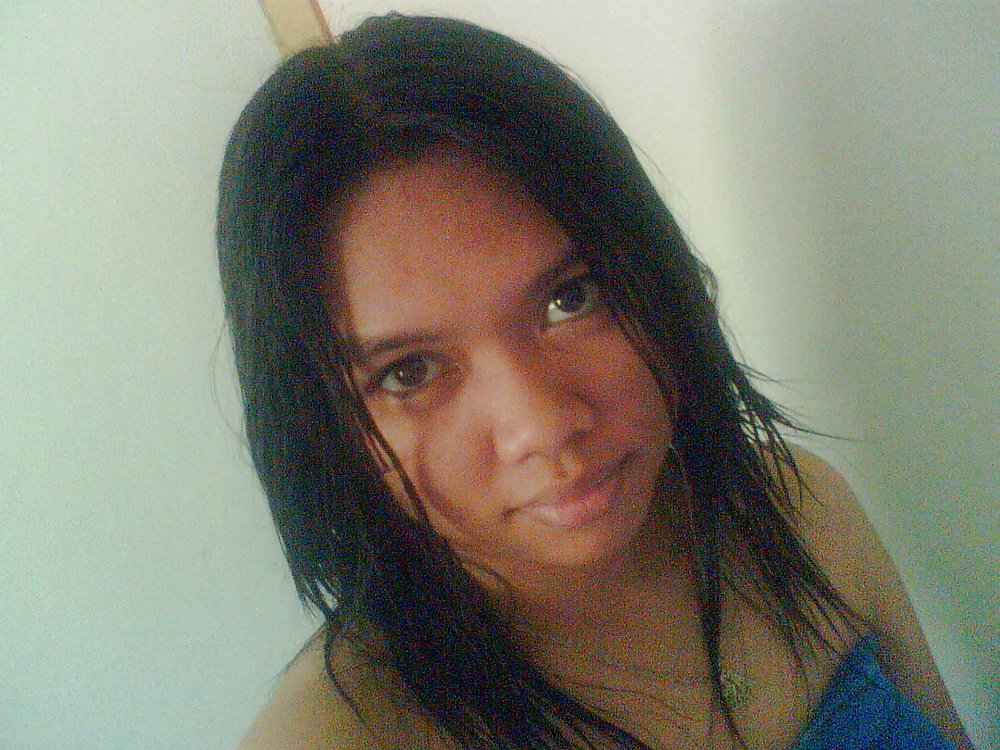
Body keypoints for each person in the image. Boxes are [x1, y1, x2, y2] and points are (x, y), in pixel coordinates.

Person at [217, 13, 973, 750]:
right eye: (408, 372)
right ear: (319, 424)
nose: (544, 426)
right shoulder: (336, 732)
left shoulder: (798, 508)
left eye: (570, 298)